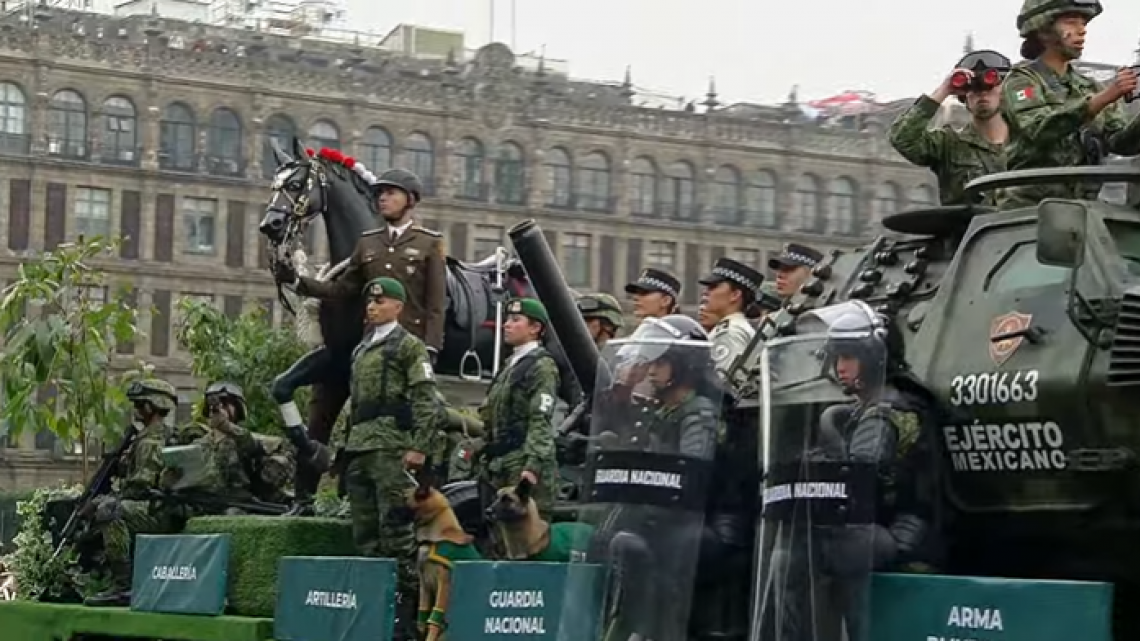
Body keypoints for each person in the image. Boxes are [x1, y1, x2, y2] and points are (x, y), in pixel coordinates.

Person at [589, 314, 723, 641]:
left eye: (661, 363)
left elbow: (692, 472)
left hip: (685, 521)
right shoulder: (662, 410)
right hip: (657, 518)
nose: (652, 370)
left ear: (683, 366)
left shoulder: (699, 412)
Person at [342, 277, 447, 640]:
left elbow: (425, 399)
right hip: (360, 448)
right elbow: (354, 404)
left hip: (391, 449)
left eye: (381, 301)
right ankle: (375, 612)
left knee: (397, 535)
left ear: (398, 307)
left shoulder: (408, 346)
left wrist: (420, 445)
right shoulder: (361, 349)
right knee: (366, 535)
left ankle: (408, 619)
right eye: (370, 302)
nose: (372, 307)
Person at [273, 168, 447, 359]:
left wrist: (431, 347)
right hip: (372, 343)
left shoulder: (429, 243)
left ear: (411, 200)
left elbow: (435, 304)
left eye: (390, 193)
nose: (382, 198)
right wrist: (297, 281)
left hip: (410, 345)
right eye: (380, 193)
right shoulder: (367, 243)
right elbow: (340, 289)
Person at [1000, 0, 1140, 208]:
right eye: (1071, 22)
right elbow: (1037, 128)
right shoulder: (1023, 81)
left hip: (1083, 210)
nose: (1081, 31)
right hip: (1030, 211)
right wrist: (1102, 99)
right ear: (1044, 30)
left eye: (1084, 24)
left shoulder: (1090, 87)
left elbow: (1119, 143)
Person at [82, 379, 183, 606]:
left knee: (109, 510)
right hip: (153, 507)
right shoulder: (147, 436)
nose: (136, 409)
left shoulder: (151, 440)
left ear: (151, 406)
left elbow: (140, 487)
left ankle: (123, 586)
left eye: (139, 404)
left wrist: (103, 500)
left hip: (158, 510)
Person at [889, 50, 1010, 206]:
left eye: (991, 85)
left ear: (1005, 90)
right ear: (963, 95)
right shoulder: (949, 146)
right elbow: (902, 138)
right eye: (973, 88)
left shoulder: (1029, 142)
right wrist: (944, 90)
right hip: (969, 229)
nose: (982, 93)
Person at [476, 298, 560, 516]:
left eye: (515, 320)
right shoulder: (510, 365)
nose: (506, 325)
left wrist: (532, 467)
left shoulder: (542, 367)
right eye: (507, 319)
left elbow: (540, 418)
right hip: (501, 462)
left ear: (535, 328)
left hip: (521, 461)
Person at [699, 257, 762, 378]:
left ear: (735, 295)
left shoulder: (730, 332)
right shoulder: (733, 327)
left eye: (713, 287)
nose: (705, 292)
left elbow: (724, 386)